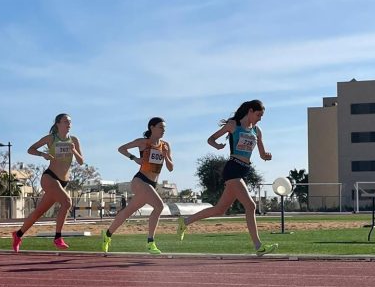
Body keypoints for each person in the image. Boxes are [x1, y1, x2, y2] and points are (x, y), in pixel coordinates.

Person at [177, 100, 278, 256]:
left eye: (261, 116)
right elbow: (211, 139)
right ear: (250, 111)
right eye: (258, 115)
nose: (260, 119)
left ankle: (185, 222)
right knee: (250, 206)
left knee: (219, 209)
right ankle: (259, 246)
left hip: (244, 171)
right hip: (232, 170)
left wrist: (267, 156)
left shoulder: (257, 131)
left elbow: (262, 154)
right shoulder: (233, 125)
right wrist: (217, 146)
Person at [11, 113, 84, 252]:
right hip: (50, 178)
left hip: (63, 181)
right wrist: (42, 154)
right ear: (58, 124)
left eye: (70, 122)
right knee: (67, 202)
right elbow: (30, 149)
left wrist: (74, 151)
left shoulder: (74, 140)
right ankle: (57, 237)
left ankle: (18, 234)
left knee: (39, 212)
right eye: (65, 122)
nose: (69, 125)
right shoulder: (51, 138)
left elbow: (81, 162)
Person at [102, 117, 173, 255]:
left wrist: (166, 156)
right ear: (152, 128)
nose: (163, 130)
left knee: (127, 211)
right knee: (159, 206)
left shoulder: (165, 145)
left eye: (164, 128)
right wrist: (134, 159)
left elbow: (170, 168)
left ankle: (107, 235)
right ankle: (150, 242)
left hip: (152, 183)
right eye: (160, 127)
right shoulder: (143, 142)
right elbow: (121, 149)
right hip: (140, 181)